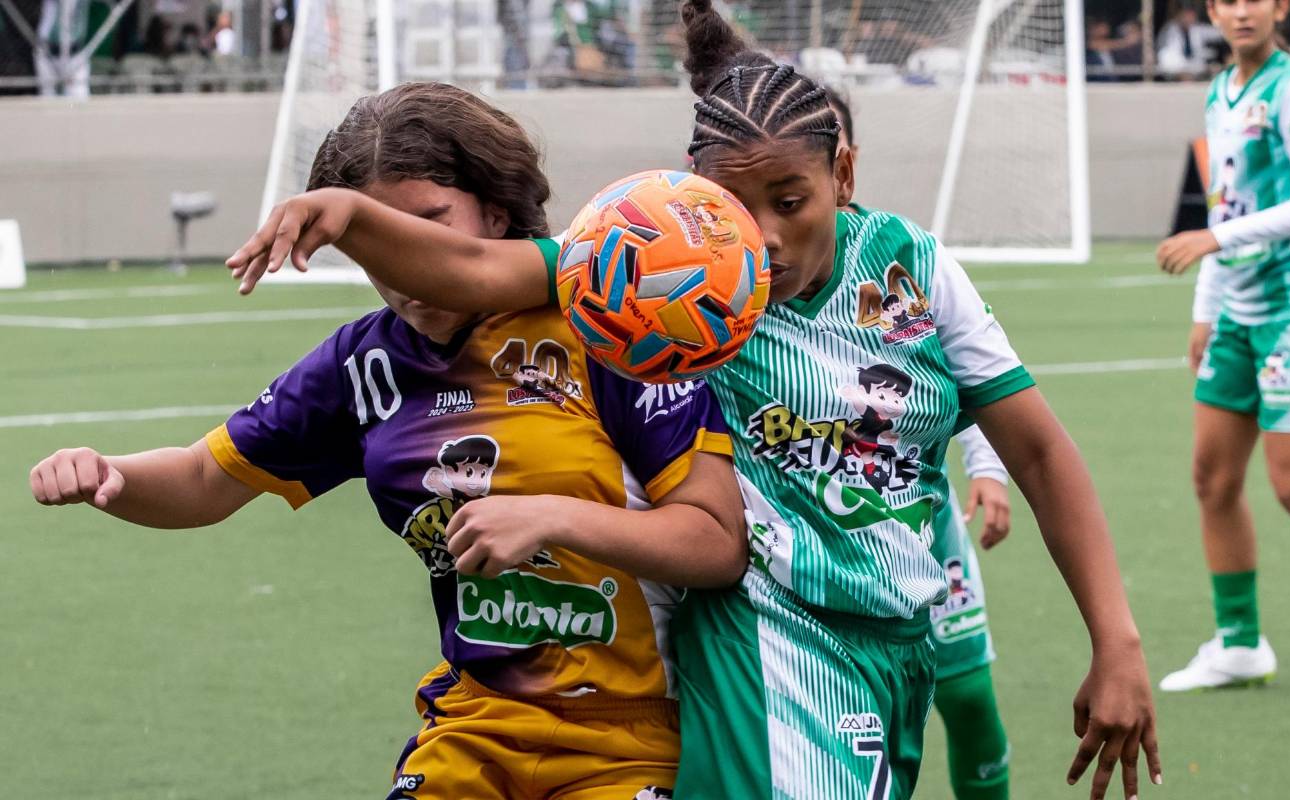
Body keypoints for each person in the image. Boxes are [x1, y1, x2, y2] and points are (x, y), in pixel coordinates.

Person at [225, 3, 1163, 797]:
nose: (760, 238)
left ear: (843, 174)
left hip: (894, 634)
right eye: (731, 207)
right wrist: (349, 217)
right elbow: (475, 264)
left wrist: (1115, 641)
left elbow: (1039, 450)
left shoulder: (917, 272)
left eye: (790, 201)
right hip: (762, 632)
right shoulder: (670, 266)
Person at [31, 82, 747, 798]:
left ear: (496, 211)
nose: (408, 271)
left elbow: (716, 543)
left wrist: (554, 516)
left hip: (637, 735)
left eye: (429, 227)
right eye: (381, 245)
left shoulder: (600, 326)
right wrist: (106, 476)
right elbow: (201, 481)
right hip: (478, 726)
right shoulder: (363, 365)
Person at [1155, 0, 1290, 697]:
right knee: (1212, 479)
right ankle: (1240, 644)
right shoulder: (1221, 92)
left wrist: (1216, 241)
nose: (1242, 10)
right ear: (1213, 12)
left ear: (1281, 7)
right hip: (1240, 316)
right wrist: (1206, 310)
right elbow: (1229, 204)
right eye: (1227, 0)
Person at [829, 84, 1015, 800]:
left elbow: (974, 381)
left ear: (845, 162)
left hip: (922, 526)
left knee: (967, 698)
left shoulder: (900, 265)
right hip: (822, 548)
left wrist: (988, 469)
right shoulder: (744, 278)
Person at [1157, 2, 1223, 79]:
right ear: (1180, 15)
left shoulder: (1196, 29)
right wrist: (1185, 71)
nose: (1189, 19)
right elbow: (1168, 58)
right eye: (1186, 15)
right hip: (1175, 73)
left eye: (1192, 16)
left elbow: (1218, 33)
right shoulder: (1169, 30)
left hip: (1195, 72)